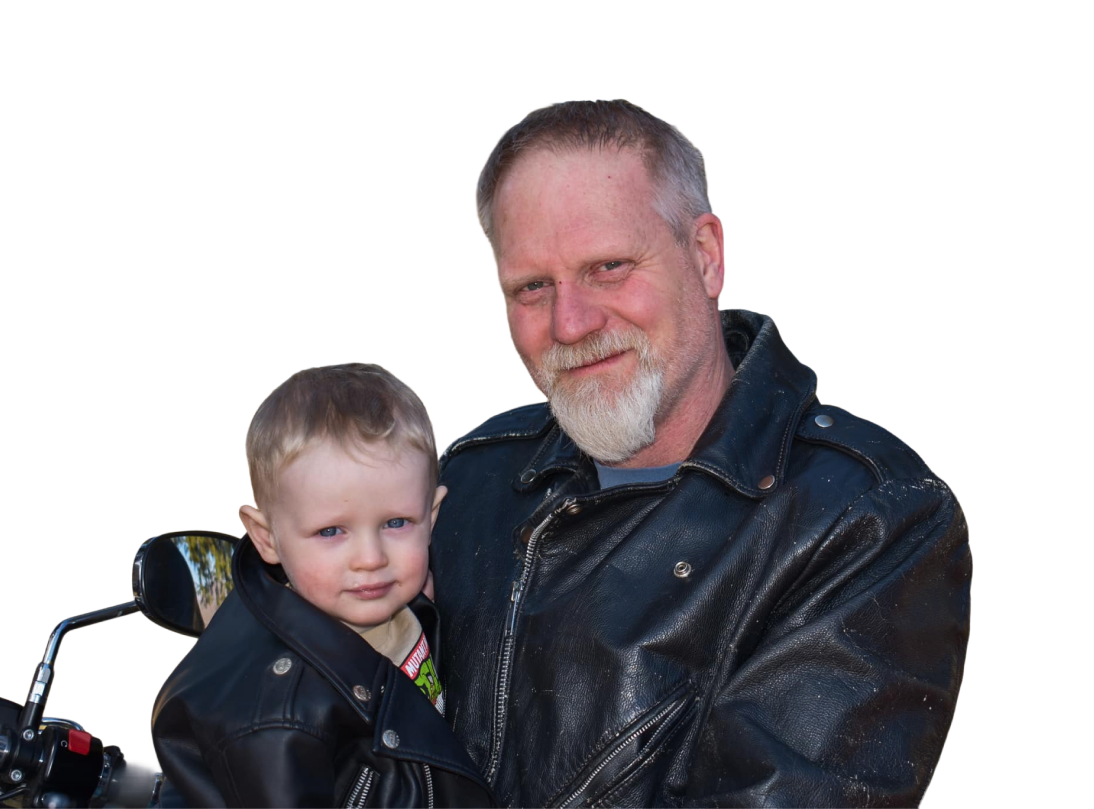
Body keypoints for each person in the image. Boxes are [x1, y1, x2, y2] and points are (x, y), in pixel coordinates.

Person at [431, 102, 970, 807]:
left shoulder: (869, 517)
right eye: (532, 286)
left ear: (707, 255)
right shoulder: (466, 479)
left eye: (609, 267)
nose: (570, 323)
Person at [151, 362, 494, 808]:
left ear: (431, 517)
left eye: (396, 523)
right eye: (331, 532)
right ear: (266, 538)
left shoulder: (394, 601)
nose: (371, 558)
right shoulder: (278, 724)